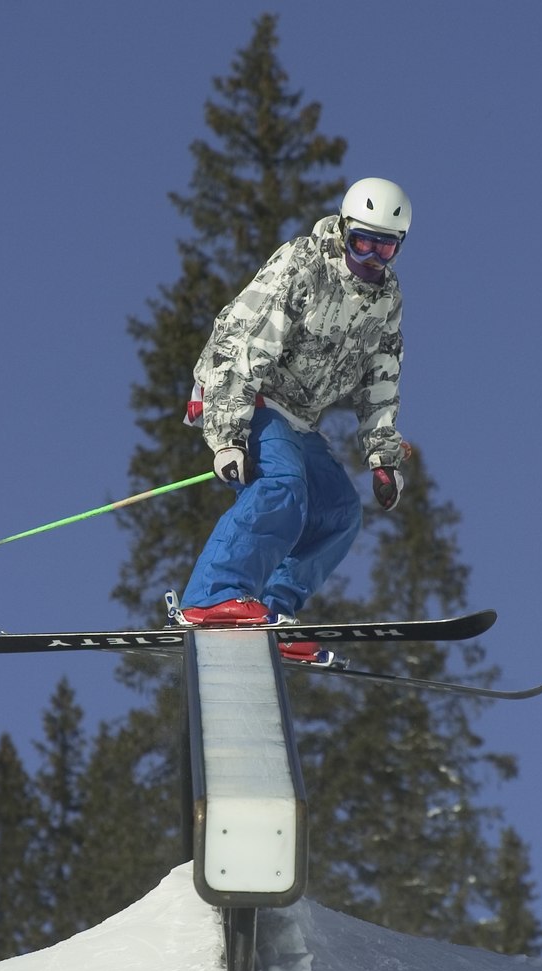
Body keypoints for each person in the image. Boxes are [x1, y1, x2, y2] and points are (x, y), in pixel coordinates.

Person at [172, 177, 412, 664]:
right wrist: (227, 435)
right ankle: (212, 596)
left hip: (297, 414)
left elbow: (379, 381)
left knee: (341, 512)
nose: (369, 257)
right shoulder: (304, 265)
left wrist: (382, 458)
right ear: (344, 230)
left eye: (382, 248)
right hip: (244, 390)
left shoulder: (385, 301)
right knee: (283, 484)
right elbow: (247, 346)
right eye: (360, 241)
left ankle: (272, 614)